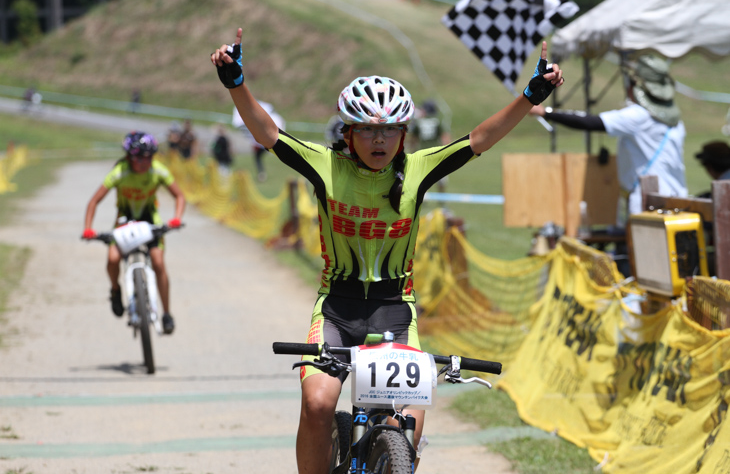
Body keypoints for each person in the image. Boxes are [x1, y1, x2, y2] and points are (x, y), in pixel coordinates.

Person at [212, 28, 563, 473]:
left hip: (395, 308)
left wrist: (529, 96)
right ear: (349, 132)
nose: (380, 141)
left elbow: (480, 139)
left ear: (404, 133)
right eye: (369, 131)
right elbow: (267, 133)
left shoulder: (418, 169)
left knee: (409, 424)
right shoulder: (325, 165)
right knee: (318, 403)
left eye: (391, 130)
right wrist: (236, 84)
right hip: (337, 309)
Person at [530, 54, 687, 230]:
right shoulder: (676, 122)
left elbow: (590, 122)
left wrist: (546, 113)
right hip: (677, 197)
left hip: (649, 202)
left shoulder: (639, 116)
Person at [82, 132, 186, 335]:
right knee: (112, 259)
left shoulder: (158, 171)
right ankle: (115, 290)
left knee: (158, 262)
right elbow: (94, 201)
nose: (145, 162)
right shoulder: (119, 172)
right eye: (140, 157)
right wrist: (88, 228)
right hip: (124, 222)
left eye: (149, 157)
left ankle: (166, 313)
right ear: (129, 157)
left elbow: (179, 196)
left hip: (150, 221)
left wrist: (176, 218)